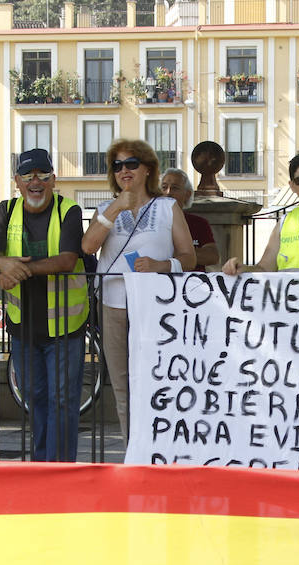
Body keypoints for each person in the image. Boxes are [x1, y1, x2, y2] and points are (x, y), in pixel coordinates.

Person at [0, 148, 89, 462]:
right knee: (35, 399)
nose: (35, 181)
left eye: (42, 174)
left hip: (66, 327)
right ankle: (42, 465)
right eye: (27, 175)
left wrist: (18, 270)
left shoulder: (69, 210)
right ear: (17, 181)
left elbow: (67, 260)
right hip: (23, 326)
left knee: (62, 401)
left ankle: (60, 468)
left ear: (54, 179)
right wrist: (1, 262)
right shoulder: (4, 211)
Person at [81, 140, 195, 442]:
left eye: (131, 163)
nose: (123, 170)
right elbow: (88, 247)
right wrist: (117, 206)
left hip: (158, 307)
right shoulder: (106, 208)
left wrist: (162, 265)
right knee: (122, 383)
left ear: (147, 169)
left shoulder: (168, 207)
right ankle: (136, 450)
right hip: (114, 305)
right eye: (117, 165)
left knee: (159, 380)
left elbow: (189, 257)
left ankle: (162, 447)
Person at [161, 168, 220, 271]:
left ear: (187, 194)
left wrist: (180, 252)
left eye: (174, 188)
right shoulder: (151, 222)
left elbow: (212, 256)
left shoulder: (199, 223)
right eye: (164, 187)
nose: (168, 192)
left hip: (193, 283)